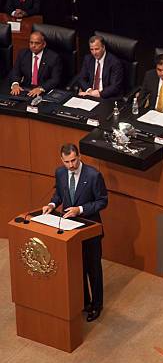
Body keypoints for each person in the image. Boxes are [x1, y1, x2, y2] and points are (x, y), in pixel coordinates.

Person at [42, 143, 108, 322]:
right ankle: (85, 302)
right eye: (67, 162)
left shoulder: (93, 175)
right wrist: (52, 204)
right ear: (61, 160)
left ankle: (97, 305)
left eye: (74, 160)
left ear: (79, 156)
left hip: (90, 229)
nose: (71, 165)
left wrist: (80, 209)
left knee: (93, 269)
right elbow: (59, 193)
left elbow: (102, 201)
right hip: (70, 231)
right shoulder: (60, 172)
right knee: (78, 268)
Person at [9, 31, 62, 97]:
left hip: (44, 91)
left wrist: (41, 88)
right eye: (31, 42)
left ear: (44, 44)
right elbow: (15, 72)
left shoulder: (53, 57)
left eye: (37, 43)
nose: (33, 46)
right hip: (25, 89)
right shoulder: (23, 54)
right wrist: (15, 84)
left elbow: (55, 79)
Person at [77, 35, 124, 99]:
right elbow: (81, 78)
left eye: (96, 49)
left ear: (103, 47)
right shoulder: (88, 59)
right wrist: (90, 91)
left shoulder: (115, 62)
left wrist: (99, 94)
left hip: (106, 97)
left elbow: (115, 86)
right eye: (91, 49)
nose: (94, 53)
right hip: (90, 95)